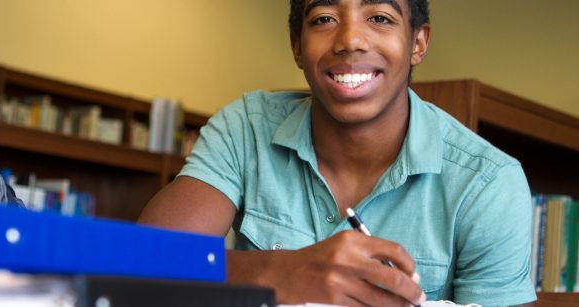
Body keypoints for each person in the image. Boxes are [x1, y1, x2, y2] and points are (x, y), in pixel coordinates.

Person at [139, 0, 536, 306]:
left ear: (418, 42)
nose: (349, 40)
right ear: (297, 46)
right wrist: (279, 272)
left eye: (380, 17)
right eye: (324, 18)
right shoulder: (246, 127)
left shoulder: (489, 183)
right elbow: (142, 266)